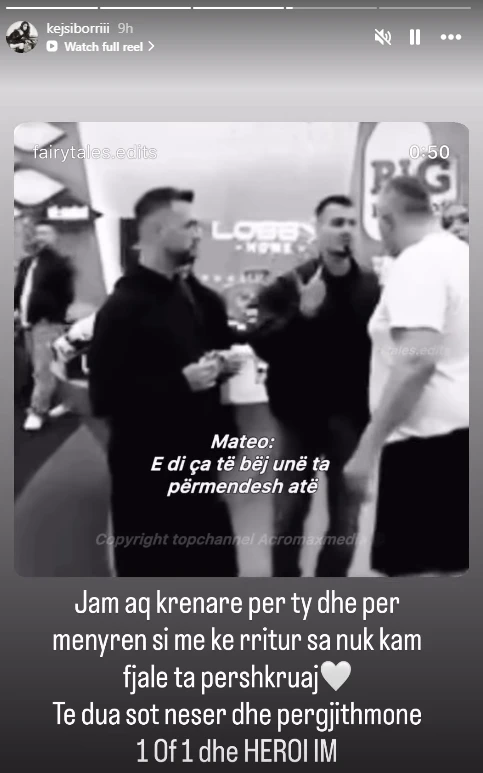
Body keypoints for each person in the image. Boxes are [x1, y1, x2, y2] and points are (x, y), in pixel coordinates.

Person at [88, 187, 239, 577]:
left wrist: (219, 367)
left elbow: (196, 362)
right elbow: (104, 397)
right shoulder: (121, 308)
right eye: (189, 225)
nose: (198, 233)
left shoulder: (187, 296)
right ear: (157, 231)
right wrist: (179, 383)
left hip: (197, 473)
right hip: (148, 482)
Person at [344, 176, 469, 576]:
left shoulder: (418, 263)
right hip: (458, 441)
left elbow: (417, 359)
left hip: (426, 452)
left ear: (386, 220)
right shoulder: (462, 256)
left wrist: (367, 446)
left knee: (416, 579)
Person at [250, 195, 380, 577]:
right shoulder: (287, 286)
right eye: (336, 223)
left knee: (346, 523)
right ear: (318, 229)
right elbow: (263, 343)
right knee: (288, 517)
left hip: (351, 421)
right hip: (298, 421)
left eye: (351, 223)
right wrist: (302, 313)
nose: (346, 231)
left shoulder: (373, 289)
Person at [14, 221, 75, 431]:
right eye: (38, 232)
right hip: (27, 324)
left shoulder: (59, 264)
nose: (41, 236)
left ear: (55, 238)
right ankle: (60, 401)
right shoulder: (26, 263)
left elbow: (66, 296)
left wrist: (49, 314)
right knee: (39, 368)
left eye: (46, 233)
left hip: (46, 324)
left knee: (44, 370)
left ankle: (37, 411)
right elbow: (20, 291)